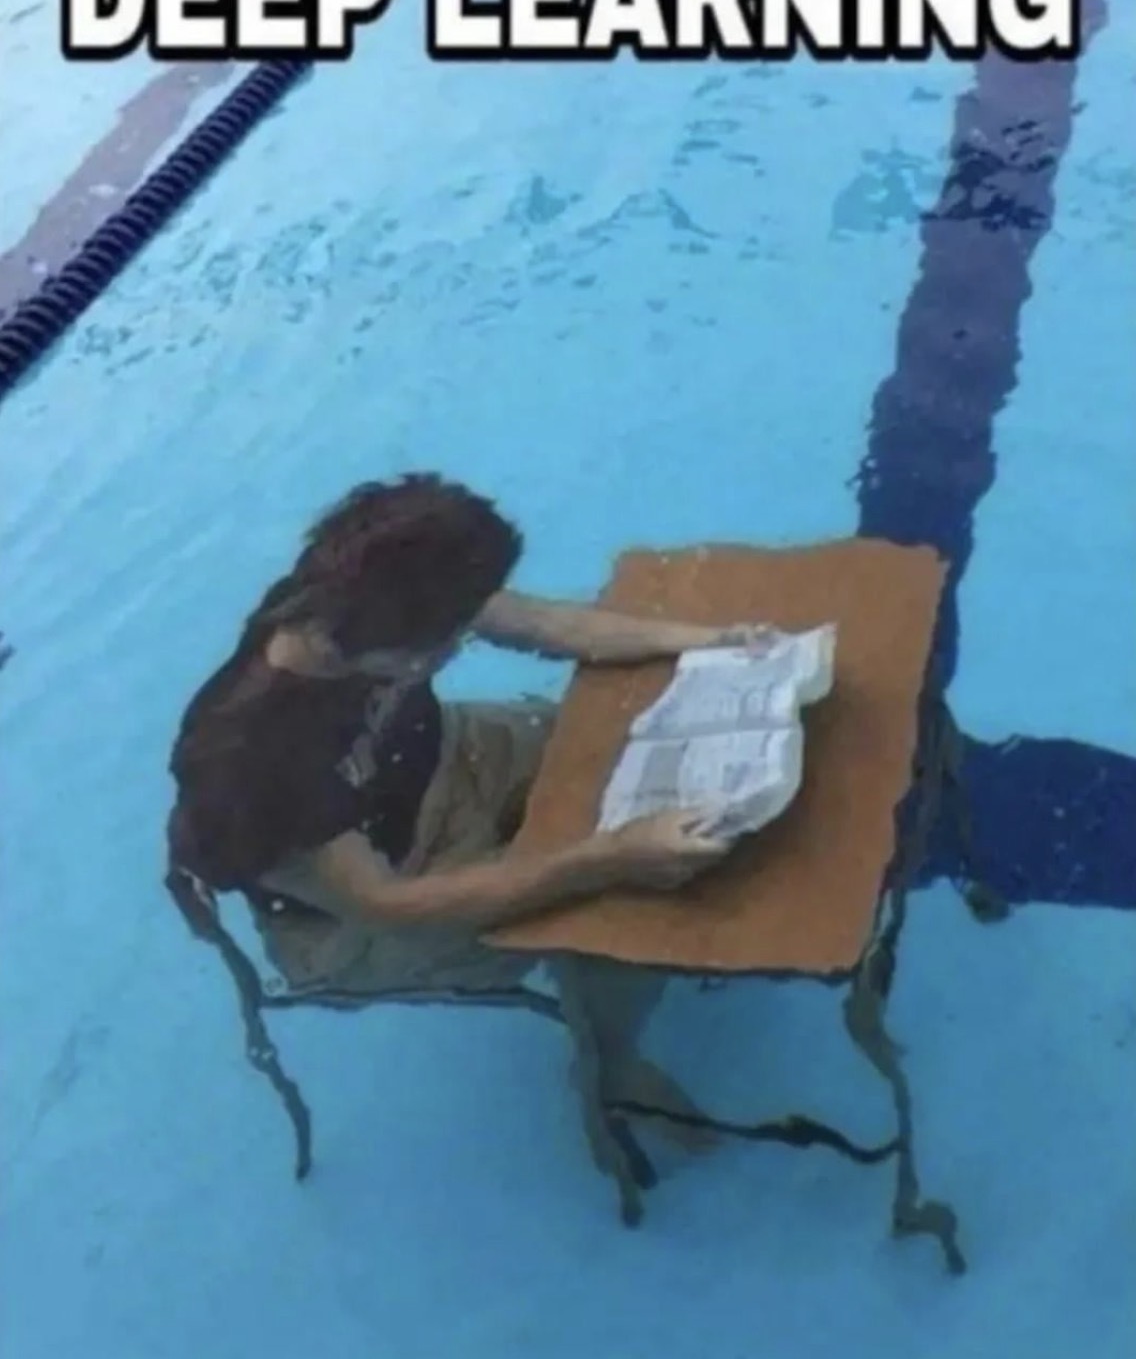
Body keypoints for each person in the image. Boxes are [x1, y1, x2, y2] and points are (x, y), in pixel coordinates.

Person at [167, 474, 766, 1140]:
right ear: (405, 650)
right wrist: (610, 856)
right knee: (610, 919)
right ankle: (611, 1067)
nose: (463, 643)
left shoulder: (359, 595)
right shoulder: (252, 763)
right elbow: (388, 906)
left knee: (622, 742)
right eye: (452, 638)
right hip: (356, 913)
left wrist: (707, 642)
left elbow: (546, 623)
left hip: (440, 764)